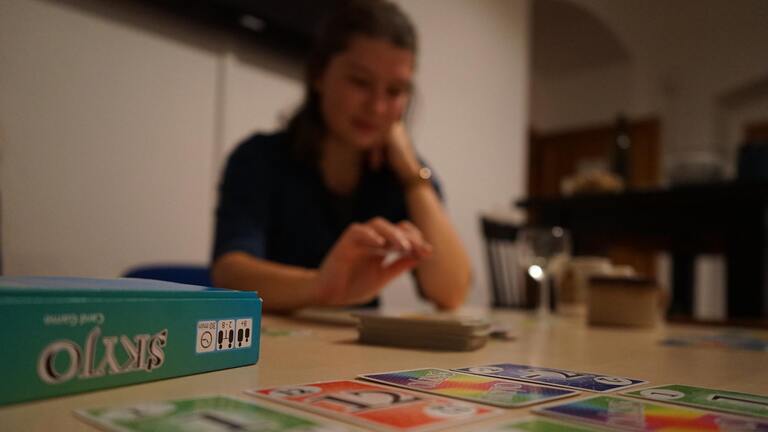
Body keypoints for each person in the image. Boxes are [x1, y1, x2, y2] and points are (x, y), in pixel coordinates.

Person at [211, 0, 471, 312]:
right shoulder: (259, 158)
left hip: (357, 342)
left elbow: (451, 292)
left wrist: (413, 177)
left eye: (394, 91)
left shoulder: (405, 173)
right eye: (360, 82)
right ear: (319, 74)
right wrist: (322, 286)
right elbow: (230, 273)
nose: (377, 107)